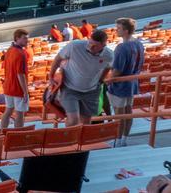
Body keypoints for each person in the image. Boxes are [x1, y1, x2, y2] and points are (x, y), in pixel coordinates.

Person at [49, 29, 113, 126]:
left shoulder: (109, 55)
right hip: (69, 88)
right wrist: (51, 76)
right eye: (90, 43)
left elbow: (108, 67)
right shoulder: (75, 46)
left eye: (95, 46)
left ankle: (79, 141)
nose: (90, 46)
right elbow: (58, 59)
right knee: (73, 120)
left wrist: (100, 80)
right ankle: (70, 140)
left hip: (91, 91)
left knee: (86, 122)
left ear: (103, 45)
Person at [108, 18, 144, 146]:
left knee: (119, 114)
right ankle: (123, 139)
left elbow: (117, 70)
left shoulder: (122, 47)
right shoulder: (139, 44)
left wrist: (107, 80)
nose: (116, 30)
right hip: (132, 83)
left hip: (121, 85)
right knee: (128, 112)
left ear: (126, 30)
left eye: (118, 28)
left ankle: (118, 141)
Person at [0, 29, 31, 130]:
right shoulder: (21, 53)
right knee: (19, 114)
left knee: (8, 110)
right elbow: (20, 74)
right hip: (18, 89)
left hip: (8, 86)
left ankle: (2, 132)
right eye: (25, 38)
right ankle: (18, 136)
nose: (27, 40)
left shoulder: (9, 50)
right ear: (17, 38)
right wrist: (25, 92)